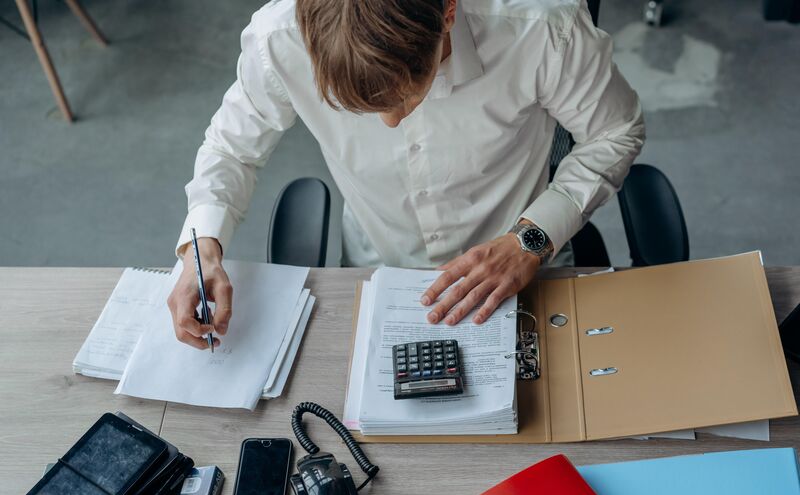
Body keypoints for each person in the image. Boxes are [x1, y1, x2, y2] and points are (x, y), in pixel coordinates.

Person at [168, 0, 645, 349]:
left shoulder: (541, 26)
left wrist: (532, 239)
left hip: (526, 265)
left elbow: (615, 131)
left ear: (449, 15)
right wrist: (201, 249)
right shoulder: (279, 39)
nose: (391, 124)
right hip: (377, 267)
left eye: (407, 97)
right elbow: (230, 148)